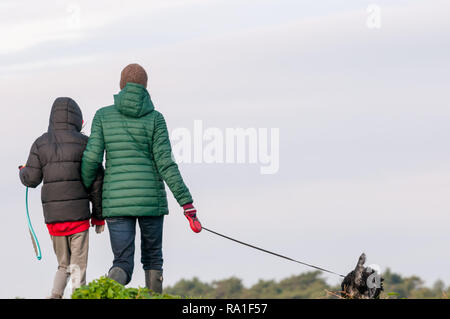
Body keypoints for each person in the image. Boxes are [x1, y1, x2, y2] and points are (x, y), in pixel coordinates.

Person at [81, 63, 202, 294]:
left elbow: (91, 159)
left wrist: (86, 189)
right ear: (146, 87)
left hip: (116, 203)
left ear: (121, 85)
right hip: (151, 202)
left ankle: (107, 292)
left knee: (122, 263)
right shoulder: (156, 119)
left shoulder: (102, 116)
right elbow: (166, 164)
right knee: (153, 259)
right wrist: (186, 203)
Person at [19, 97, 105, 299]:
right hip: (79, 219)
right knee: (78, 266)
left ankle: (55, 295)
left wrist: (22, 171)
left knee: (63, 265)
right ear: (78, 119)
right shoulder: (85, 143)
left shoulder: (40, 143)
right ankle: (79, 296)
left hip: (54, 220)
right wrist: (99, 215)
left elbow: (31, 179)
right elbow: (97, 182)